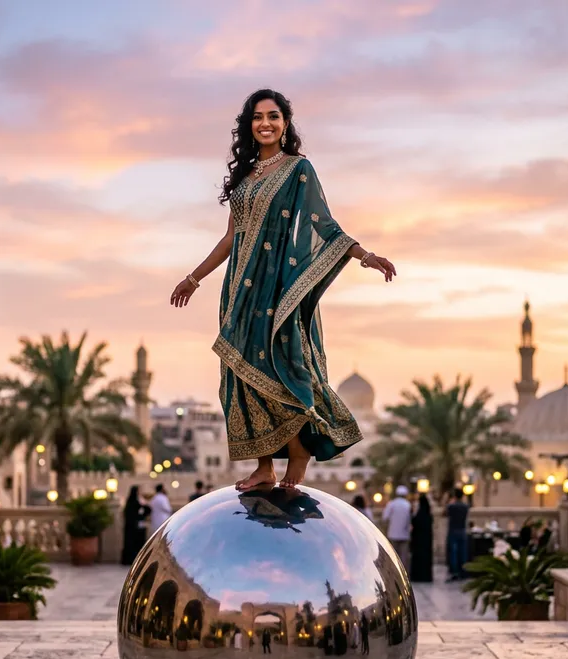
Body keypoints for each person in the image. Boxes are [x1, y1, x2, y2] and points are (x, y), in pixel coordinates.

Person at [170, 89, 395, 491]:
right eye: (258, 117)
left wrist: (365, 255)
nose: (266, 124)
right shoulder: (245, 176)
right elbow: (230, 239)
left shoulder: (298, 170)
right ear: (249, 125)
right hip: (240, 289)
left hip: (277, 288)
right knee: (243, 373)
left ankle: (298, 453)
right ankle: (264, 467)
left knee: (279, 365)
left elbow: (323, 224)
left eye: (274, 116)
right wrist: (194, 277)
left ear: (285, 123)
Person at [383, 485, 412, 569]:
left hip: (393, 533)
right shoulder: (407, 505)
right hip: (405, 534)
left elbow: (385, 517)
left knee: (393, 557)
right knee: (404, 558)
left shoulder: (391, 504)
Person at [446, 487, 471, 581]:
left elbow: (444, 513)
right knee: (463, 552)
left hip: (453, 531)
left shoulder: (451, 506)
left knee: (453, 552)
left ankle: (454, 572)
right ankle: (463, 571)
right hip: (462, 530)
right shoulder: (465, 506)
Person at [121, 486, 150, 565]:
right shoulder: (135, 502)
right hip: (134, 528)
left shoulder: (130, 502)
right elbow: (147, 509)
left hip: (131, 527)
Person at [410, 492, 434, 583]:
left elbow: (414, 523)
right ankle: (426, 576)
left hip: (418, 542)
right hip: (426, 542)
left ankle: (418, 576)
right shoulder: (428, 516)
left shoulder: (419, 515)